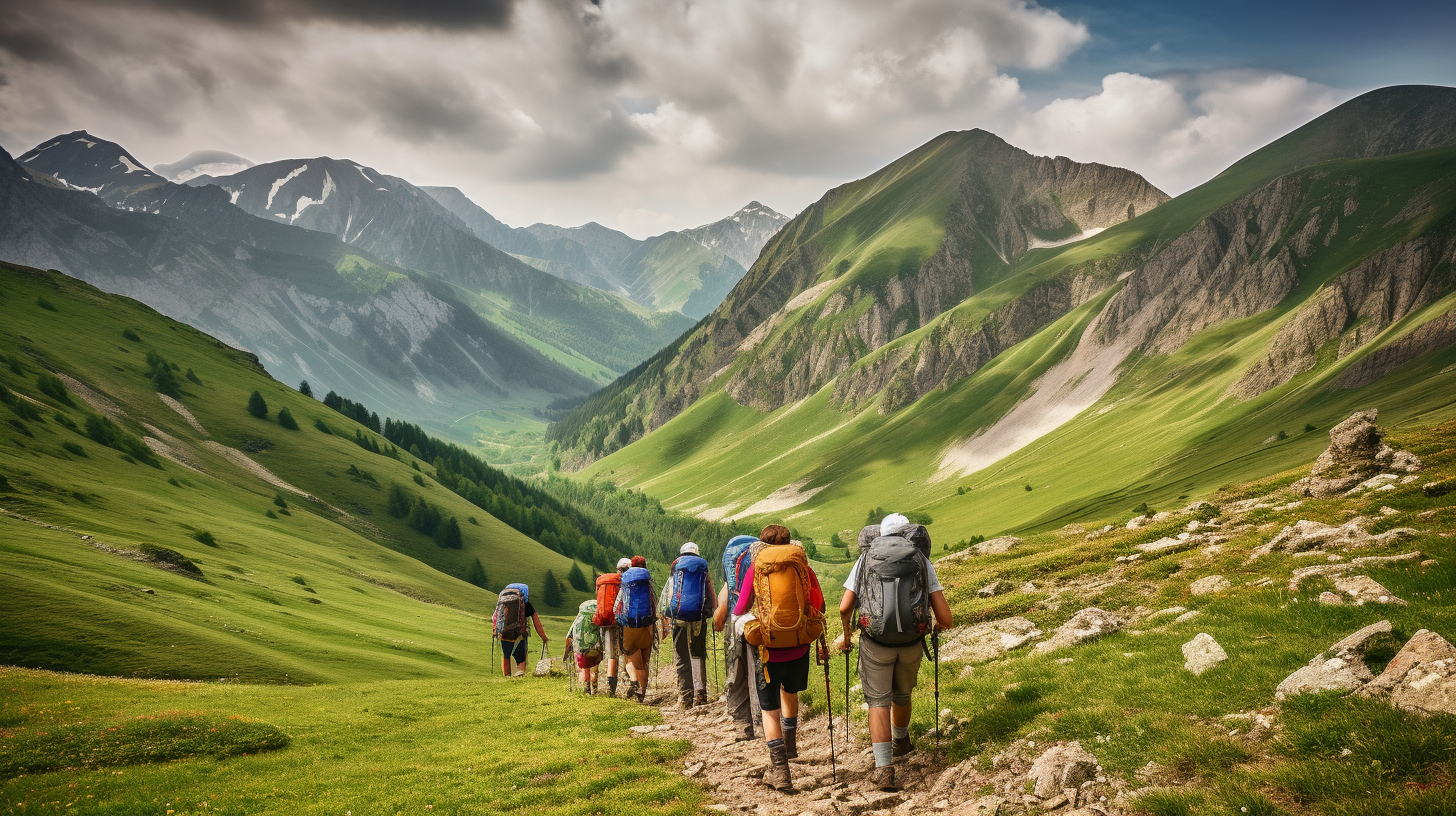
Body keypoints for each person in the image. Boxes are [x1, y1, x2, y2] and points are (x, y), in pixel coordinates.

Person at [836, 513, 953, 792]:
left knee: (878, 701)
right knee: (902, 694)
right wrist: (935, 627)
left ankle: (884, 769)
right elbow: (946, 617)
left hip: (875, 643)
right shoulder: (921, 560)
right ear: (909, 534)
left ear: (880, 535)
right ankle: (902, 740)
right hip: (911, 642)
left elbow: (844, 606)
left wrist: (847, 634)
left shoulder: (865, 559)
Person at [733, 524, 826, 792]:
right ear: (788, 541)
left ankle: (780, 770)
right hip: (798, 646)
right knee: (791, 692)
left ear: (763, 544)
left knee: (768, 710)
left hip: (769, 650)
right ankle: (791, 745)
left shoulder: (758, 568)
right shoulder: (802, 566)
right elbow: (817, 604)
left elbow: (740, 608)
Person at [714, 534, 760, 741]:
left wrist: (719, 619)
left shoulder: (729, 561)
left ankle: (743, 724)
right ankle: (764, 723)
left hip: (735, 621)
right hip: (760, 621)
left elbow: (724, 600)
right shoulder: (760, 558)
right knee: (761, 672)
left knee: (737, 673)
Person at [660, 542, 716, 708]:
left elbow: (670, 592)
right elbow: (710, 592)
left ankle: (685, 697)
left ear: (682, 553)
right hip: (699, 617)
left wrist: (667, 613)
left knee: (681, 655)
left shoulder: (676, 567)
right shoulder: (702, 568)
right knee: (697, 654)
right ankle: (700, 695)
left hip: (679, 618)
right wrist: (712, 611)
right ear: (697, 553)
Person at [614, 558, 658, 704]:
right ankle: (642, 694)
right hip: (647, 626)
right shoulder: (647, 583)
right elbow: (654, 604)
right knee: (644, 663)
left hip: (630, 626)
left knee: (633, 661)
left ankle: (635, 685)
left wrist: (620, 620)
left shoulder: (626, 584)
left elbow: (617, 607)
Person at [494, 581, 550, 677]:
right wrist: (543, 637)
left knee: (506, 655)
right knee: (520, 658)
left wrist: (496, 631)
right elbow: (537, 622)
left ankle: (507, 676)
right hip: (518, 634)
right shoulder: (525, 604)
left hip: (503, 634)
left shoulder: (503, 602)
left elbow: (496, 616)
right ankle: (520, 675)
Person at [597, 557, 632, 697]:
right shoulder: (624, 581)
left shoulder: (606, 581)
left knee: (611, 655)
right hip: (621, 621)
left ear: (617, 569)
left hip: (607, 621)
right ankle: (630, 681)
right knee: (626, 652)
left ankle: (611, 688)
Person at [565, 598, 604, 694]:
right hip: (595, 649)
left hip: (580, 650)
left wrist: (566, 653)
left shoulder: (578, 621)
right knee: (594, 670)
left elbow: (569, 636)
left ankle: (585, 690)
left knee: (583, 669)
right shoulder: (597, 621)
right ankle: (594, 690)